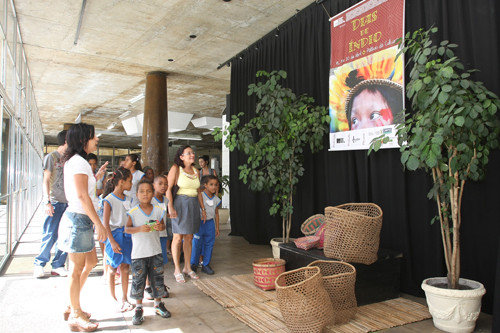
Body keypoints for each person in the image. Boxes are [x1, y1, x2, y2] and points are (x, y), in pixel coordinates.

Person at [58, 123, 108, 332]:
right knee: (76, 269)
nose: (96, 139)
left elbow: (83, 189)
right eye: (93, 136)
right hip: (79, 220)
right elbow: (81, 196)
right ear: (82, 139)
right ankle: (75, 313)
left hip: (82, 219)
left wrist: (96, 177)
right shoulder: (78, 162)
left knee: (90, 262)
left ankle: (73, 303)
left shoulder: (80, 162)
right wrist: (99, 223)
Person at [125, 179, 171, 325]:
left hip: (156, 251)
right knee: (139, 281)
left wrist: (159, 227)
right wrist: (139, 229)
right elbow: (127, 229)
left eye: (148, 191)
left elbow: (163, 226)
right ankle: (139, 308)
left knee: (157, 279)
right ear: (137, 194)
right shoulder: (133, 212)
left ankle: (158, 304)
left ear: (153, 193)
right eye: (142, 191)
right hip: (138, 254)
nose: (145, 194)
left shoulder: (158, 210)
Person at [167, 145, 206, 283]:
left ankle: (187, 267)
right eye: (188, 153)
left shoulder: (196, 171)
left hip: (193, 204)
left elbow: (199, 192)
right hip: (180, 204)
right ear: (181, 156)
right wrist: (170, 206)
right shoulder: (176, 169)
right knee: (178, 237)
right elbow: (169, 188)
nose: (192, 155)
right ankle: (177, 268)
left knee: (189, 237)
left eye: (193, 153)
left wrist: (203, 209)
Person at [34, 130, 69, 278]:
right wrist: (47, 201)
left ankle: (58, 265)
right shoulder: (51, 157)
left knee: (65, 235)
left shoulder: (69, 159)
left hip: (67, 203)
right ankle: (39, 264)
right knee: (50, 234)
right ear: (66, 141)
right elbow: (46, 180)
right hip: (54, 202)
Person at [102, 167, 135, 312]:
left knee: (125, 267)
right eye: (129, 181)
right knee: (112, 268)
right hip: (114, 236)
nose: (131, 184)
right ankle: (112, 298)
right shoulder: (108, 200)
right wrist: (112, 241)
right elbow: (106, 224)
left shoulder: (129, 199)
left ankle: (124, 298)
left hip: (127, 235)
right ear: (121, 182)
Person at [191, 175, 220, 275]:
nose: (214, 187)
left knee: (209, 244)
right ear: (205, 185)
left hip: (210, 224)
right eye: (211, 184)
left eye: (215, 185)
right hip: (200, 223)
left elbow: (216, 213)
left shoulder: (216, 199)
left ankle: (206, 265)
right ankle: (193, 264)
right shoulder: (201, 196)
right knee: (196, 244)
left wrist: (217, 227)